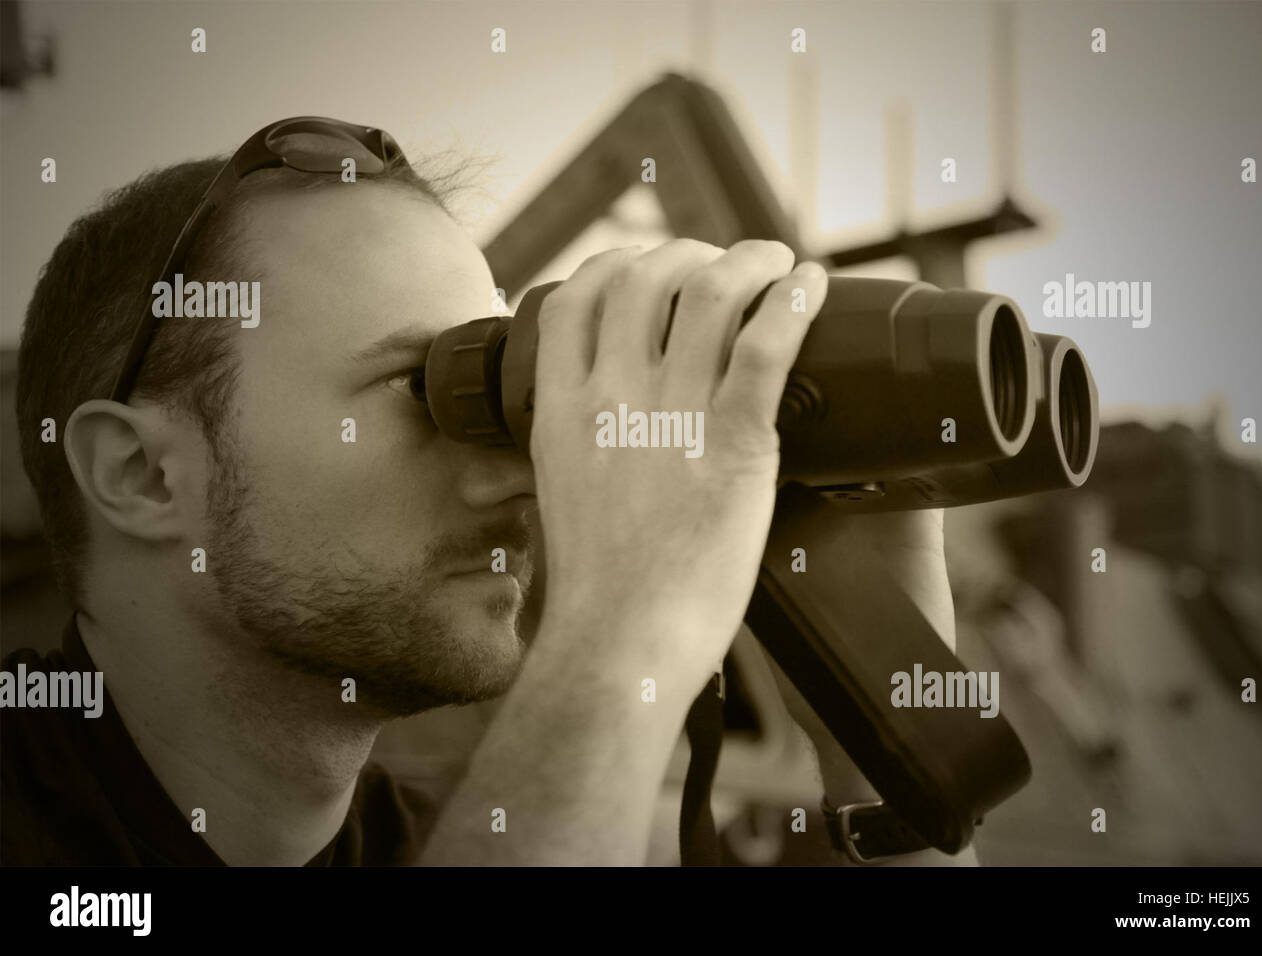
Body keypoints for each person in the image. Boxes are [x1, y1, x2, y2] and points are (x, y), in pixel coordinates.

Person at [3, 118, 973, 866]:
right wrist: (626, 622)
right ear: (141, 474)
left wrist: (878, 725)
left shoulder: (462, 834)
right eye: (415, 387)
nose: (524, 468)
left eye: (497, 393)